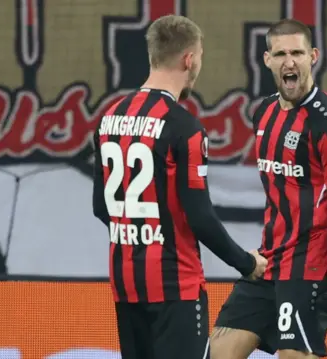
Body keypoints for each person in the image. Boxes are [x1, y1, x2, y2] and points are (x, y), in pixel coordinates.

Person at [91, 15, 267, 359]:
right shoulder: (184, 127)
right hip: (175, 286)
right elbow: (200, 217)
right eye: (199, 56)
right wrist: (247, 263)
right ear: (189, 59)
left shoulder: (109, 117)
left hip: (126, 283)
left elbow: (102, 208)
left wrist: (139, 234)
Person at [210, 19, 327, 359]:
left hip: (308, 267)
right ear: (267, 60)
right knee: (216, 354)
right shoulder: (263, 113)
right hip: (267, 262)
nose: (289, 62)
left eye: (297, 53)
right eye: (280, 53)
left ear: (313, 57)